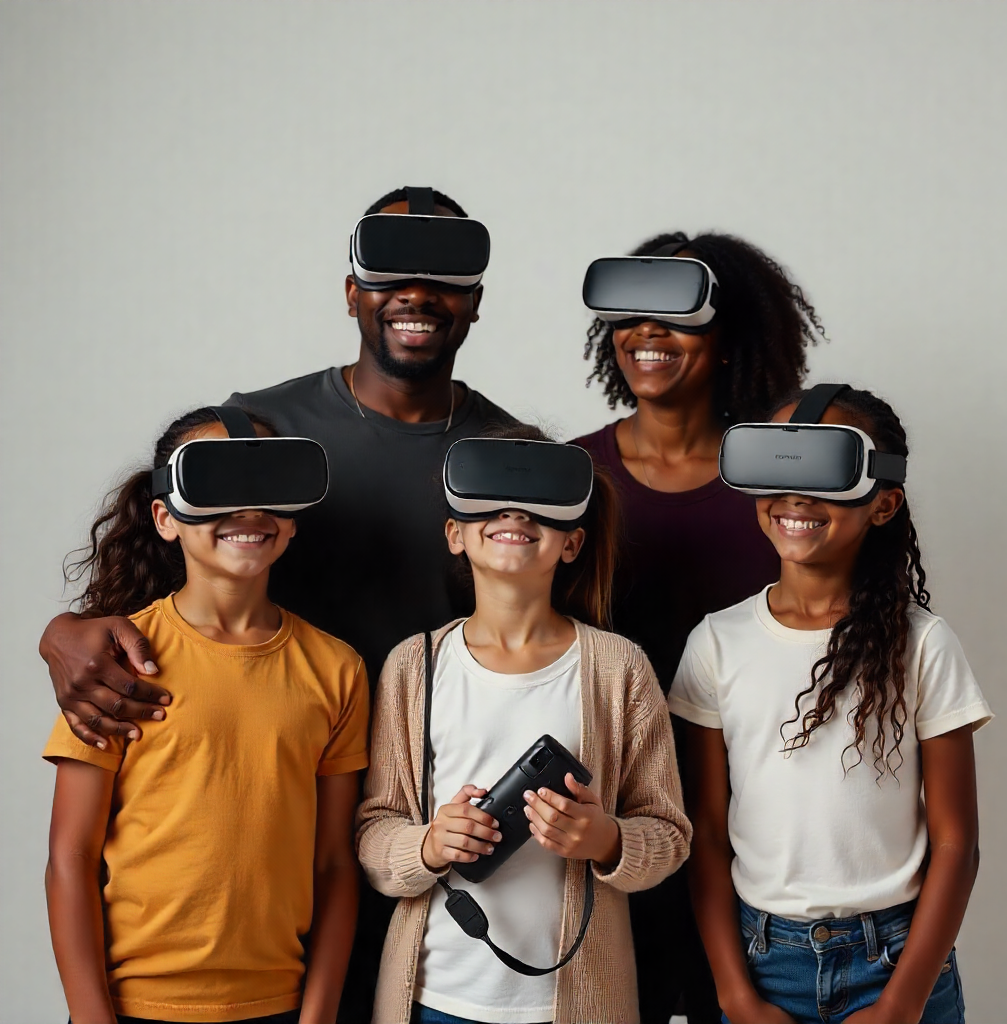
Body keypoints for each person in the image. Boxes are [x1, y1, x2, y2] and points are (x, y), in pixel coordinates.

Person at [38, 187, 515, 1022]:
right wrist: (63, 631)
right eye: (389, 266)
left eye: (443, 271)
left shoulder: (508, 464)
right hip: (273, 856)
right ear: (350, 290)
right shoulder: (263, 437)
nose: (416, 292)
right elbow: (168, 588)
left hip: (440, 845)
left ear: (475, 298)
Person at [672, 388, 990, 1024]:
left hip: (898, 962)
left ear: (884, 503)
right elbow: (704, 832)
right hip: (761, 960)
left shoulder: (923, 644)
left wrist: (902, 1003)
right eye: (780, 466)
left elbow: (957, 842)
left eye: (825, 471)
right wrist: (735, 995)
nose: (795, 496)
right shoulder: (716, 643)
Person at [44, 407, 369, 1024]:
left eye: (268, 486)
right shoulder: (117, 662)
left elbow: (332, 863)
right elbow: (70, 858)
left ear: (293, 521)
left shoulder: (336, 670)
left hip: (279, 1005)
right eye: (218, 484)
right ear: (166, 517)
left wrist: (319, 1014)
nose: (248, 510)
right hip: (134, 1005)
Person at [356, 428, 691, 1024]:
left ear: (571, 542)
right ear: (454, 534)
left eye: (539, 502)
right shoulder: (414, 666)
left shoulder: (619, 669)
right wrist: (429, 844)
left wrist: (606, 840)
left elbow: (670, 836)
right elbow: (374, 834)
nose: (515, 512)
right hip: (434, 997)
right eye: (491, 499)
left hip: (575, 1002)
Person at [573, 230, 823, 1024]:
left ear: (730, 335)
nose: (647, 333)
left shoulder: (785, 485)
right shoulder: (570, 476)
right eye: (629, 314)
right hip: (608, 829)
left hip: (759, 839)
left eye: (677, 314)